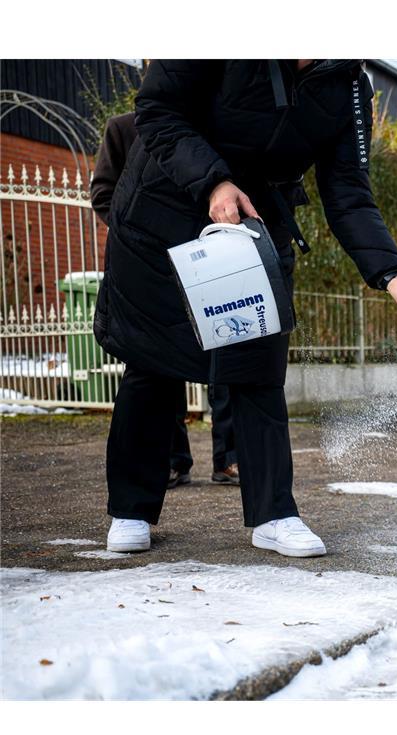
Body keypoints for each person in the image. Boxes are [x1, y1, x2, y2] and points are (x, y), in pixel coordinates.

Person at [94, 60, 397, 557]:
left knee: (258, 368)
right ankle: (130, 508)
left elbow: (348, 191)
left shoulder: (348, 86)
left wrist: (390, 273)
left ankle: (274, 514)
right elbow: (158, 111)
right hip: (161, 212)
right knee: (153, 363)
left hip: (256, 223)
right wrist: (213, 182)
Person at [90, 113, 240, 491]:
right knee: (157, 363)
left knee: (225, 350)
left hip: (209, 259)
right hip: (150, 264)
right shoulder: (124, 128)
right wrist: (139, 235)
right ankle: (173, 461)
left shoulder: (211, 123)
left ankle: (230, 458)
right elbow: (103, 193)